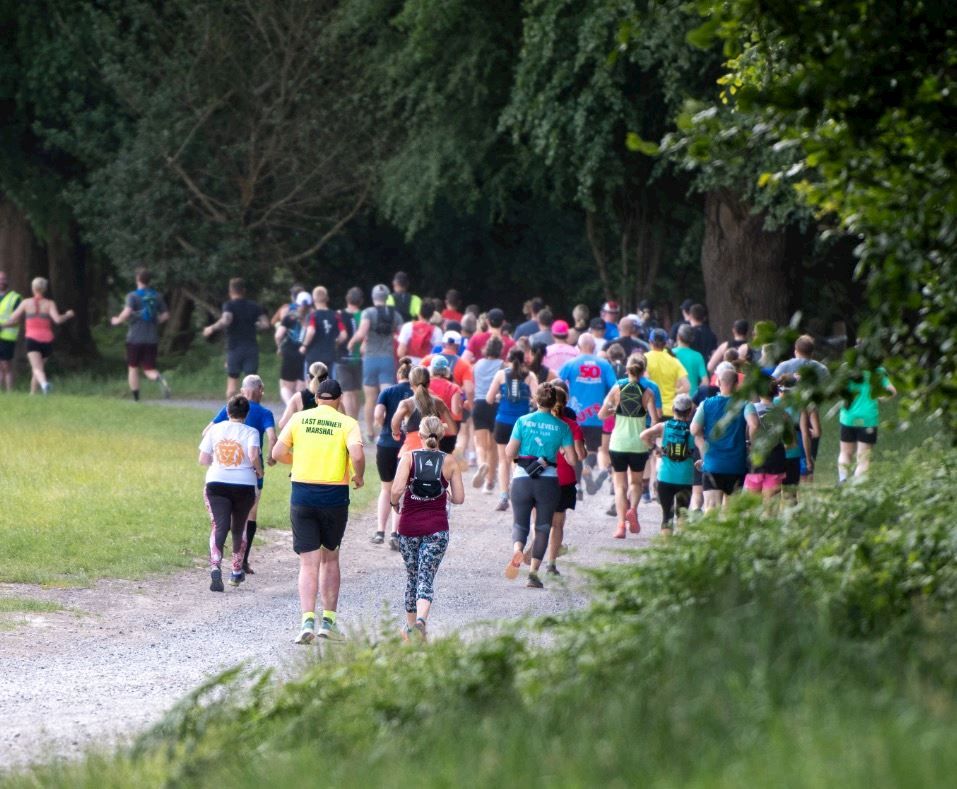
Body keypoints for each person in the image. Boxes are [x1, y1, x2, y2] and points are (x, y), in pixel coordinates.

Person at [272, 379, 365, 644]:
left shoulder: (300, 418)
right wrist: (358, 476)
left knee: (308, 563)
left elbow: (278, 452)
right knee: (330, 559)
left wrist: (297, 459)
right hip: (334, 496)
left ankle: (306, 621)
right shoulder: (348, 423)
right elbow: (357, 455)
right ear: (339, 398)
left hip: (302, 494)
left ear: (315, 396)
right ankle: (329, 623)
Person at [390, 415, 465, 641]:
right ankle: (421, 623)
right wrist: (448, 494)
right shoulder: (449, 461)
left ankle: (412, 628)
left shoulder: (408, 457)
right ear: (441, 436)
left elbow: (395, 490)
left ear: (419, 435)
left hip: (408, 527)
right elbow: (460, 498)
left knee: (412, 576)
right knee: (426, 576)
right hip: (437, 529)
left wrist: (395, 504)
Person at [504, 383, 577, 588]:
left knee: (520, 523)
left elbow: (509, 453)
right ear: (555, 403)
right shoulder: (562, 427)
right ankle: (533, 574)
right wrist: (561, 451)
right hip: (549, 481)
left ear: (536, 400)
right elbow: (572, 459)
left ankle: (518, 548)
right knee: (543, 527)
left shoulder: (523, 421)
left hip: (522, 478)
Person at [205, 375, 277, 575]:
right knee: (248, 517)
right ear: (261, 389)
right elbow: (272, 436)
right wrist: (271, 457)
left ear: (243, 389)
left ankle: (217, 562)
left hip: (220, 474)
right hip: (251, 473)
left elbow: (207, 432)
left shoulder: (229, 409)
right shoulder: (265, 413)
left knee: (221, 522)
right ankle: (242, 563)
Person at [198, 395, 262, 591]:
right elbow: (252, 455)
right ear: (247, 413)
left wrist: (218, 465)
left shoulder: (215, 429)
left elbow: (203, 458)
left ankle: (215, 565)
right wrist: (259, 471)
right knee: (239, 527)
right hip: (244, 485)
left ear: (227, 412)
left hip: (216, 483)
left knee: (219, 524)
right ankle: (235, 572)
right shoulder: (251, 431)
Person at [598, 357, 660, 538]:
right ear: (643, 371)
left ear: (627, 370)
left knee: (619, 486)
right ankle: (632, 509)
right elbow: (655, 422)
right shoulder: (648, 392)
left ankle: (620, 526)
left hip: (618, 443)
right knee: (636, 483)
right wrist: (652, 440)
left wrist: (614, 409)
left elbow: (601, 414)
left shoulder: (617, 389)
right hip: (638, 444)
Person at [559, 334, 618, 495]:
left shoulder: (571, 364)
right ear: (594, 348)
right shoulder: (604, 364)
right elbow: (615, 387)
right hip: (596, 416)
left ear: (578, 347)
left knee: (576, 449)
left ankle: (577, 487)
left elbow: (557, 385)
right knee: (592, 450)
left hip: (575, 416)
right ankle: (588, 466)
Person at [1, 276, 74, 394]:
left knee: (36, 368)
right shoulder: (50, 303)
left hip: (32, 339)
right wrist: (67, 315)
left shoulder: (26, 303)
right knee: (39, 368)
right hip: (47, 340)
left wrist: (3, 325)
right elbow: (58, 320)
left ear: (33, 288)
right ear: (45, 289)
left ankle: (45, 385)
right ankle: (32, 394)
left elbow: (12, 318)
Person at [486, 348, 538, 512]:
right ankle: (520, 494)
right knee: (518, 460)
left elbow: (488, 398)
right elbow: (537, 401)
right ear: (524, 360)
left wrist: (498, 398)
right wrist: (528, 400)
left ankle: (503, 496)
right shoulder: (530, 376)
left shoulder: (501, 375)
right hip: (521, 423)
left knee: (503, 460)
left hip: (502, 421)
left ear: (508, 359)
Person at [691, 367, 750, 511]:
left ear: (718, 382)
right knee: (731, 513)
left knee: (711, 509)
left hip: (712, 464)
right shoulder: (745, 405)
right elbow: (754, 423)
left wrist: (703, 448)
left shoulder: (706, 404)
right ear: (737, 385)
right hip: (737, 465)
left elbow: (694, 429)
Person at [348, 284, 403, 440]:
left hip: (370, 359)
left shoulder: (368, 312)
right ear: (387, 298)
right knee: (388, 397)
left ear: (373, 297)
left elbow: (362, 332)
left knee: (370, 398)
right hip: (387, 358)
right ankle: (388, 430)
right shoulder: (395, 314)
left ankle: (370, 431)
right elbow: (403, 332)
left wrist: (352, 343)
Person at [372, 357, 415, 547]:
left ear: (398, 374)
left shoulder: (387, 391)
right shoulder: (415, 395)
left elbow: (378, 415)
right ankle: (395, 533)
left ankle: (380, 530)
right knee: (402, 489)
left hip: (386, 444)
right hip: (407, 446)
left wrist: (381, 426)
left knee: (386, 488)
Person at [202, 277, 269, 397]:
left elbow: (226, 320)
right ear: (244, 290)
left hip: (234, 348)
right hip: (251, 348)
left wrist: (211, 328)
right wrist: (255, 325)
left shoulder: (229, 305)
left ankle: (233, 413)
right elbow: (265, 324)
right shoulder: (254, 306)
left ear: (230, 291)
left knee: (232, 384)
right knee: (251, 384)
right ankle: (250, 413)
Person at [640, 393, 695, 536]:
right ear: (690, 412)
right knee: (683, 514)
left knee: (667, 516)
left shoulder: (663, 426)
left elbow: (643, 436)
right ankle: (681, 552)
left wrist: (655, 449)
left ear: (673, 409)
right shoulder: (693, 429)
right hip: (685, 478)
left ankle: (667, 549)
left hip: (665, 477)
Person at [546, 382, 585, 575]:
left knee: (542, 522)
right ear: (566, 401)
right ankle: (551, 563)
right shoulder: (572, 424)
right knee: (558, 524)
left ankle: (537, 549)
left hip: (539, 477)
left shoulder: (536, 420)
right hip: (564, 478)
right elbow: (578, 457)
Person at [838, 366, 896, 481]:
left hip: (848, 417)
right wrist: (880, 398)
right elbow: (892, 392)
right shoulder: (878, 371)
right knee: (863, 458)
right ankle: (857, 488)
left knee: (845, 452)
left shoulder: (846, 368)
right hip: (868, 418)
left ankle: (842, 481)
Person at [392, 367, 458, 459]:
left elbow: (395, 423)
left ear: (411, 384)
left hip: (409, 455)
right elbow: (452, 430)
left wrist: (396, 434)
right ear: (428, 383)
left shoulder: (406, 404)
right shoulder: (438, 403)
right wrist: (439, 428)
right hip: (433, 456)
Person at [743, 379, 792, 503]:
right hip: (776, 459)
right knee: (771, 505)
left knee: (752, 504)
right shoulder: (783, 413)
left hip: (756, 459)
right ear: (776, 392)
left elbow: (750, 428)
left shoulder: (751, 409)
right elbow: (789, 442)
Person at [470, 336, 504, 494]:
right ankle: (489, 482)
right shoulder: (502, 365)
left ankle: (481, 463)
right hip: (496, 405)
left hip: (479, 404)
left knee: (480, 443)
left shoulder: (477, 365)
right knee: (494, 446)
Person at [300, 286, 346, 380]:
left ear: (314, 299)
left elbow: (311, 331)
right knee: (328, 385)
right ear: (327, 298)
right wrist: (336, 342)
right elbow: (344, 334)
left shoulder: (313, 315)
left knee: (313, 384)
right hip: (330, 355)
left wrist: (304, 345)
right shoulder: (336, 315)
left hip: (313, 355)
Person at [275, 291, 312, 405]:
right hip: (305, 354)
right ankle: (300, 409)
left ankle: (290, 407)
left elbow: (278, 335)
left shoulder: (289, 317)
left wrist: (279, 347)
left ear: (297, 303)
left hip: (289, 353)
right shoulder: (312, 318)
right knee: (301, 386)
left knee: (285, 386)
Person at [645, 328, 690, 418]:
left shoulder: (644, 359)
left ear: (650, 342)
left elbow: (644, 382)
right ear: (665, 344)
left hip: (651, 409)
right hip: (670, 410)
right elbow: (687, 386)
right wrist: (674, 391)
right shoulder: (674, 361)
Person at [334, 287, 365, 419]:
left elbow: (336, 336)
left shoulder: (339, 314)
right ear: (361, 301)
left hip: (342, 358)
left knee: (347, 392)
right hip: (359, 358)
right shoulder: (364, 315)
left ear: (347, 299)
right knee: (356, 392)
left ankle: (349, 421)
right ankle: (355, 420)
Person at [426, 356, 464, 453]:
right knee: (445, 458)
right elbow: (456, 410)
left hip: (428, 427)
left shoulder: (425, 385)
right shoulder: (454, 387)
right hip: (447, 429)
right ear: (446, 370)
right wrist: (462, 406)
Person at [277, 361, 329, 429]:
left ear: (308, 378)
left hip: (304, 438)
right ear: (327, 378)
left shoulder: (298, 397)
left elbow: (283, 424)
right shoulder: (335, 397)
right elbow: (344, 425)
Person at [0, 271, 22, 392]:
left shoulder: (15, 297)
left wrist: (2, 325)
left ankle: (9, 392)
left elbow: (17, 320)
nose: (1, 282)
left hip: (7, 336)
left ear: (7, 280)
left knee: (6, 365)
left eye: (3, 279)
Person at [673, 324, 709, 399]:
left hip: (675, 398)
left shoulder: (671, 354)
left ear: (678, 337)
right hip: (692, 399)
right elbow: (705, 382)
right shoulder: (698, 356)